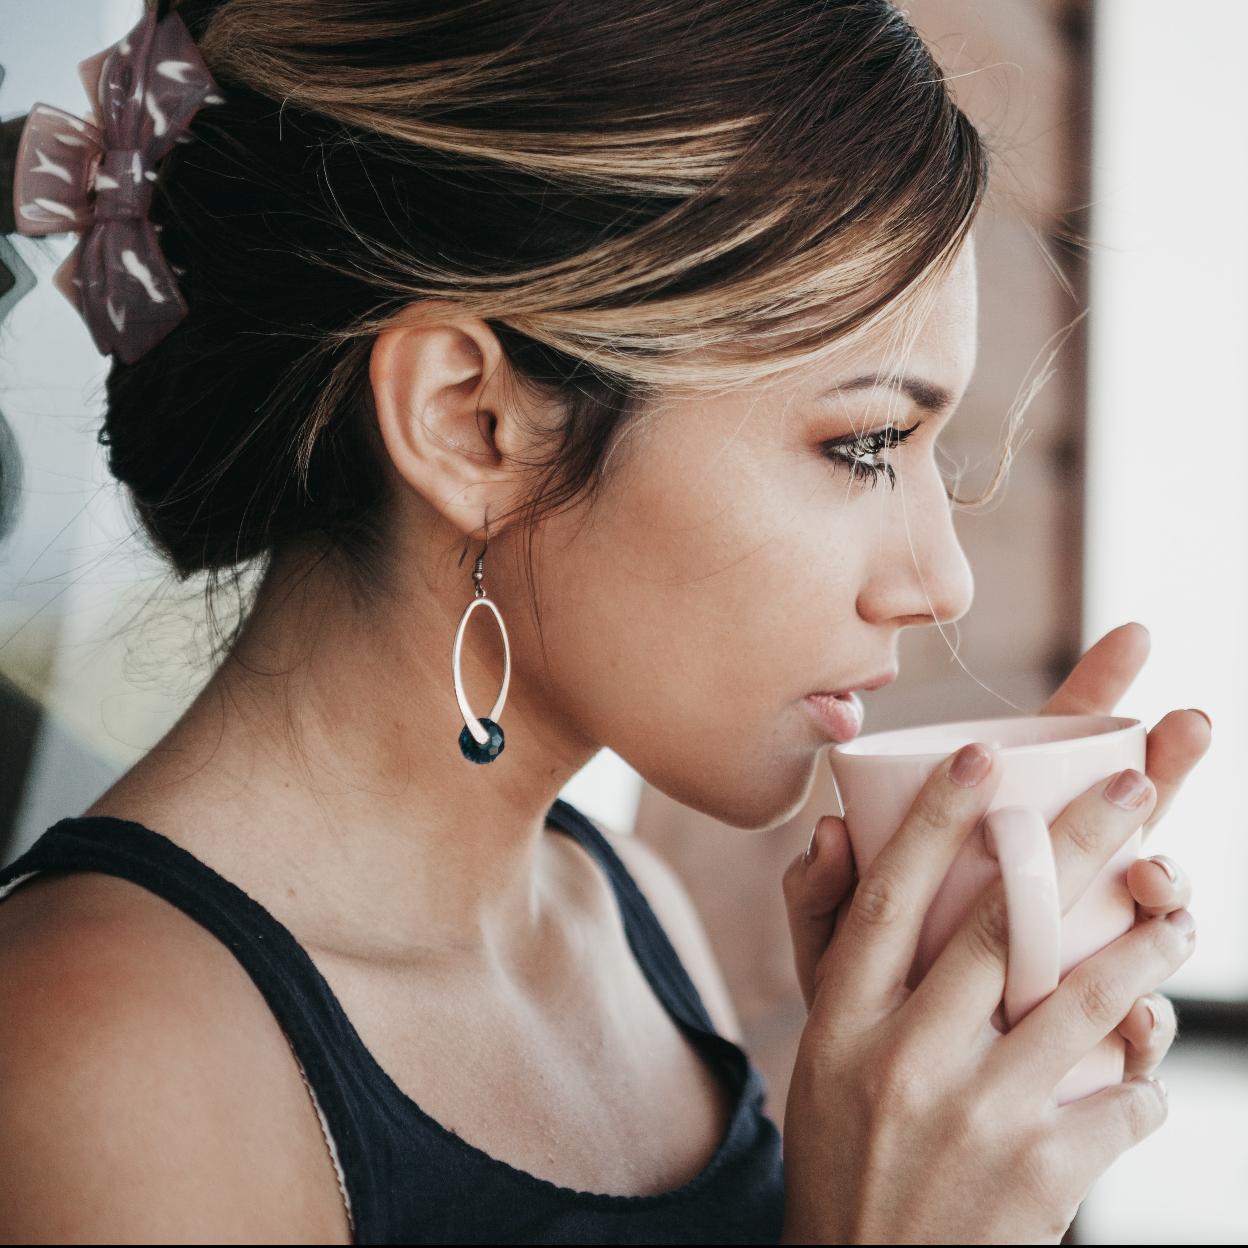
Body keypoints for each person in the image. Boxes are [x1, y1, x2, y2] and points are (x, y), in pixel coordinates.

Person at [0, 0, 1209, 1243]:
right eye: (862, 446)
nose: (943, 580)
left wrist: (931, 1120)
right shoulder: (109, 1058)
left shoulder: (626, 918)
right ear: (472, 423)